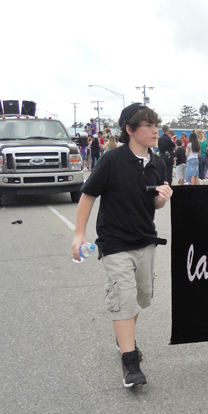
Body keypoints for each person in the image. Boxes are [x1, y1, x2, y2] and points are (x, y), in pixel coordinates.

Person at [71, 103, 172, 389]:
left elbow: (153, 202)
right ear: (129, 130)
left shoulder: (158, 162)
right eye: (148, 126)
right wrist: (79, 234)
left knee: (141, 297)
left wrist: (162, 200)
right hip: (115, 242)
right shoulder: (112, 160)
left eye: (156, 125)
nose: (155, 131)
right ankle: (130, 362)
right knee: (123, 299)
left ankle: (122, 335)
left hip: (145, 240)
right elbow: (88, 195)